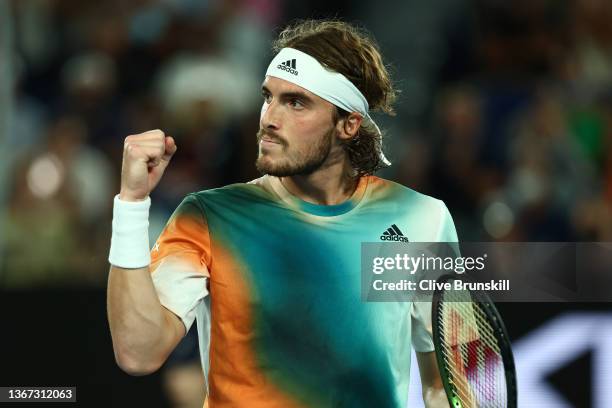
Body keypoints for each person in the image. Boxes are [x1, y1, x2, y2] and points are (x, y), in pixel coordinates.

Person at [107, 19, 456, 407]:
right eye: (268, 97)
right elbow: (138, 353)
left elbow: (444, 385)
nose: (269, 119)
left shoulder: (422, 219)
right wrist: (132, 203)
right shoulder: (208, 217)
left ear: (348, 125)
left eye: (295, 102)